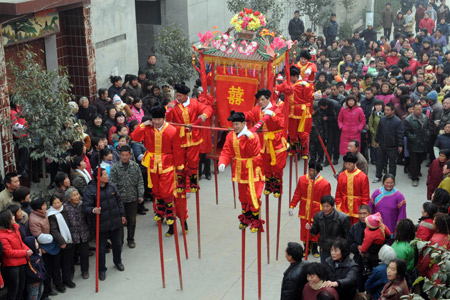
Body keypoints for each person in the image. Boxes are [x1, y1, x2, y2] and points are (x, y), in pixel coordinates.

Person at [131, 108, 183, 237]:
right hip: (153, 162)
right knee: (156, 189)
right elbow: (135, 137)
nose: (157, 122)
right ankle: (160, 210)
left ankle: (170, 212)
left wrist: (179, 165)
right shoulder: (148, 128)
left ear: (164, 118)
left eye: (159, 119)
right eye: (154, 119)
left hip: (167, 162)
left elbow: (177, 149)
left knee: (166, 189)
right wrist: (143, 125)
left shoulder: (172, 130)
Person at [218, 111, 264, 232]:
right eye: (234, 124)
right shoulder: (230, 136)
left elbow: (255, 153)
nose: (235, 127)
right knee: (243, 195)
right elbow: (227, 151)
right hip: (239, 169)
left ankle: (255, 219)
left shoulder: (252, 136)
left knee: (253, 195)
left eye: (238, 124)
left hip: (252, 169)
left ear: (244, 123)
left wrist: (250, 139)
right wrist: (222, 162)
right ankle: (246, 217)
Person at [166, 83, 212, 193]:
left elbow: (208, 109)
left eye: (180, 96)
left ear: (186, 95)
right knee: (179, 161)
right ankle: (181, 182)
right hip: (179, 138)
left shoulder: (195, 103)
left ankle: (193, 182)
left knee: (193, 161)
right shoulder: (172, 105)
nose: (178, 98)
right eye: (176, 96)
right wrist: (168, 109)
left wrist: (203, 116)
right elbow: (167, 119)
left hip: (193, 138)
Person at [83, 167, 126, 281]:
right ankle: (101, 270)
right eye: (104, 175)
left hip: (115, 222)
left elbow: (119, 201)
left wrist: (122, 215)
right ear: (98, 177)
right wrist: (93, 210)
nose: (107, 176)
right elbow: (85, 207)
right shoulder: (91, 190)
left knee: (117, 244)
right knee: (101, 250)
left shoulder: (111, 186)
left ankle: (118, 261)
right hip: (101, 225)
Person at [244, 89, 287, 197]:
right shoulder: (257, 109)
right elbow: (249, 115)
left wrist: (272, 115)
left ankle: (277, 185)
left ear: (268, 99)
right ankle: (268, 183)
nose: (261, 102)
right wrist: (239, 116)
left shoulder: (276, 109)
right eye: (259, 100)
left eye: (263, 99)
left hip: (275, 141)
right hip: (263, 142)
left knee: (277, 164)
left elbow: (281, 124)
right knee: (265, 163)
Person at [289, 161, 331, 257]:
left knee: (316, 229)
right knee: (304, 230)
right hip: (304, 209)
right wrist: (292, 205)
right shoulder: (302, 179)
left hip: (317, 210)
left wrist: (326, 211)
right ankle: (306, 247)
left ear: (317, 171)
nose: (311, 173)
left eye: (313, 171)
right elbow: (297, 193)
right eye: (310, 170)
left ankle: (315, 248)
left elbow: (327, 199)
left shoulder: (325, 183)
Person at [110, 145, 144, 248]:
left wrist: (141, 194)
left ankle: (131, 239)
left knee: (132, 220)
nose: (124, 157)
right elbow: (113, 184)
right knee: (120, 221)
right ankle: (120, 241)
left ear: (130, 155)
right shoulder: (115, 168)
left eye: (126, 155)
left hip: (132, 198)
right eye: (122, 155)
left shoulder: (135, 166)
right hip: (120, 200)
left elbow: (140, 181)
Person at [279, 65, 314, 159]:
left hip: (302, 113)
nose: (288, 78)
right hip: (291, 113)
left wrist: (307, 87)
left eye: (289, 76)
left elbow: (309, 97)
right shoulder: (288, 84)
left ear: (295, 76)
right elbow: (279, 88)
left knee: (303, 133)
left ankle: (304, 151)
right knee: (292, 132)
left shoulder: (304, 85)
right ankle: (293, 149)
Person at [29, 197, 60, 298]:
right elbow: (39, 236)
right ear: (38, 208)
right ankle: (46, 291)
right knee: (46, 270)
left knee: (53, 267)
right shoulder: (33, 219)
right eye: (43, 205)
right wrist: (52, 237)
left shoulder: (45, 213)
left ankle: (54, 285)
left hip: (51, 243)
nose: (45, 206)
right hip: (44, 247)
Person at [308, 195, 351, 263]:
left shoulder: (343, 218)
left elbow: (348, 236)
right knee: (325, 269)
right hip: (324, 248)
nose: (325, 208)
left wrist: (345, 250)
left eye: (327, 206)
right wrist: (310, 228)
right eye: (323, 206)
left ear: (333, 205)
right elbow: (314, 232)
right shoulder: (318, 216)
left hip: (338, 249)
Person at [0, 210, 31, 300]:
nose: (14, 217)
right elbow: (9, 252)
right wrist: (25, 252)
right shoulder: (2, 235)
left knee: (20, 289)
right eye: (11, 216)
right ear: (7, 220)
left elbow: (21, 243)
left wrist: (27, 249)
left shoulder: (15, 229)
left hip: (22, 262)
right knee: (13, 290)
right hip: (12, 266)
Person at [47, 195, 76, 290]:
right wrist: (62, 242)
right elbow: (54, 230)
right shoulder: (50, 215)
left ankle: (67, 280)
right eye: (54, 203)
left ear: (62, 202)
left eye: (58, 202)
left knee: (67, 263)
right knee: (57, 264)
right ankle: (58, 283)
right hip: (58, 243)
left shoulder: (65, 210)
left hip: (69, 240)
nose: (56, 205)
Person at [335, 152, 370, 225]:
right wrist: (338, 205)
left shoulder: (362, 176)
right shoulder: (342, 175)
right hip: (344, 207)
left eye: (349, 164)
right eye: (346, 164)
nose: (347, 166)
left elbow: (365, 195)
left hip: (357, 207)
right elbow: (338, 192)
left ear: (355, 164)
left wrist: (363, 209)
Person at [373, 103, 404, 182]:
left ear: (393, 111)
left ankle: (391, 179)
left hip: (392, 147)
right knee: (379, 162)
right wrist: (376, 140)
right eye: (385, 110)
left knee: (392, 164)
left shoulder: (397, 121)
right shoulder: (382, 119)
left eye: (388, 110)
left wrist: (400, 145)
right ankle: (378, 176)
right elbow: (379, 131)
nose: (386, 111)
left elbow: (400, 134)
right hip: (382, 145)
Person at [64, 188, 90, 279]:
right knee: (71, 256)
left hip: (83, 233)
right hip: (71, 235)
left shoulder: (83, 205)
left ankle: (85, 271)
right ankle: (70, 273)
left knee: (85, 254)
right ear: (69, 198)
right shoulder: (65, 207)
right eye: (74, 195)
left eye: (77, 194)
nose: (77, 196)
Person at [418, 214, 450, 280]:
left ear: (439, 225)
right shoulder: (447, 237)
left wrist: (419, 269)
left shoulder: (435, 240)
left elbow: (427, 261)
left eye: (434, 221)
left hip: (436, 276)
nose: (432, 221)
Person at [404, 102, 429, 187]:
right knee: (414, 161)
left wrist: (427, 134)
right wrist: (413, 137)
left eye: (420, 109)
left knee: (420, 159)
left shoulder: (425, 117)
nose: (418, 111)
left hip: (423, 142)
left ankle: (415, 171)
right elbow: (406, 132)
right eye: (416, 109)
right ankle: (414, 178)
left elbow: (427, 127)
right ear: (413, 109)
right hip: (413, 143)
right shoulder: (408, 119)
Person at [347, 204, 371, 291]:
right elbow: (349, 243)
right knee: (359, 285)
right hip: (358, 260)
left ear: (369, 213)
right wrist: (357, 247)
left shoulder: (376, 226)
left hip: (372, 260)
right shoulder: (354, 227)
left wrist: (367, 249)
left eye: (364, 213)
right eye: (360, 213)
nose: (362, 216)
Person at [23, 236, 45, 300]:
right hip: (33, 281)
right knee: (33, 295)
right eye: (35, 242)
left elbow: (42, 265)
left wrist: (43, 273)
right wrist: (39, 275)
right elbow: (31, 269)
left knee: (40, 293)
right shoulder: (29, 258)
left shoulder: (37, 254)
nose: (37, 243)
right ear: (31, 245)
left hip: (40, 278)